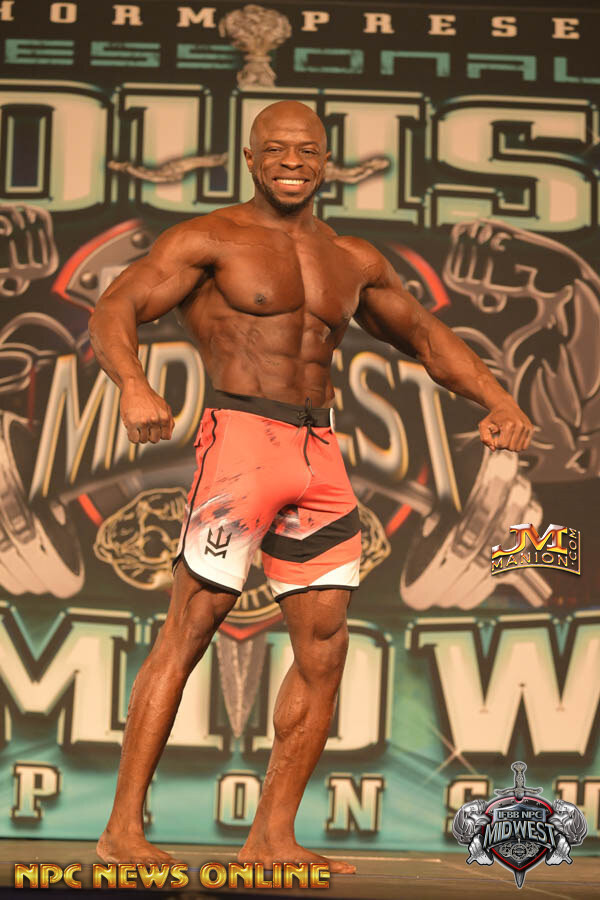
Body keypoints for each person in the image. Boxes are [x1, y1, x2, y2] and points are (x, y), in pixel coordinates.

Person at [89, 100, 533, 872]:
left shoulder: (349, 258)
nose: (292, 162)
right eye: (276, 149)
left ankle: (271, 837)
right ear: (251, 157)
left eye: (307, 150)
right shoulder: (210, 239)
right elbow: (116, 305)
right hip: (240, 443)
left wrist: (498, 399)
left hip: (319, 453)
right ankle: (122, 830)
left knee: (325, 647)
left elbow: (424, 335)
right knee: (191, 627)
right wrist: (132, 383)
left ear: (327, 162)